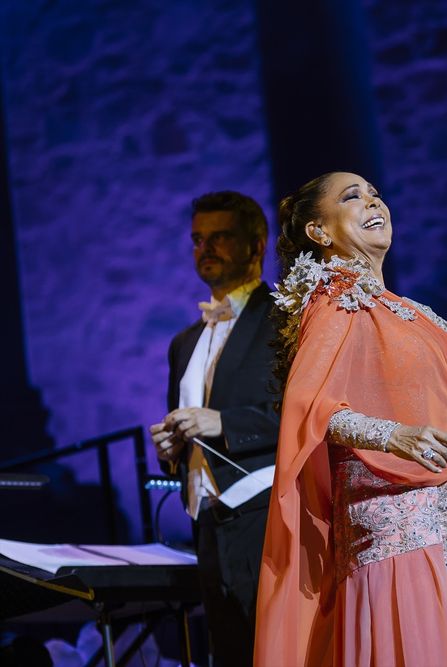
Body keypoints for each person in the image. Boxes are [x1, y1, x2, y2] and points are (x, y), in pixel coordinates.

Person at [254, 171, 447, 666]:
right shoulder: (333, 298)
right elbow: (311, 410)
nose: (372, 202)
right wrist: (394, 435)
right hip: (390, 526)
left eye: (375, 194)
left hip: (446, 520)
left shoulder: (412, 312)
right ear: (319, 231)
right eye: (352, 197)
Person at [149, 191, 280, 666]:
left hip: (266, 513)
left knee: (279, 649)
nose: (205, 248)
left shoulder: (284, 318)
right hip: (207, 521)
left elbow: (309, 411)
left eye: (220, 237)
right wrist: (170, 449)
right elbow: (189, 433)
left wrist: (223, 422)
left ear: (256, 244)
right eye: (198, 240)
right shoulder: (184, 342)